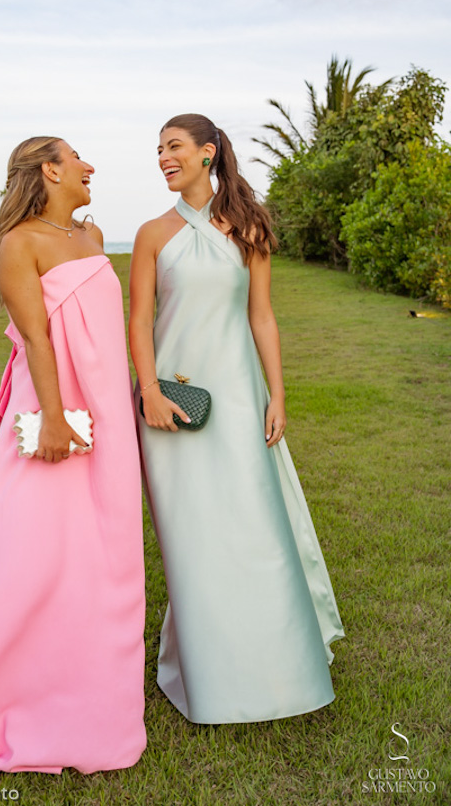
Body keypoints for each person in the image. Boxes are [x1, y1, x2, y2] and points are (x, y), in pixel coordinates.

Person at [0, 136, 146, 775]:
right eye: (78, 157)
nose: (90, 166)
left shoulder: (93, 237)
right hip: (53, 417)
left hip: (108, 421)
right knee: (27, 556)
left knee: (104, 560)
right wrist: (55, 421)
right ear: (50, 170)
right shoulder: (21, 243)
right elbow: (37, 339)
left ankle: (94, 707)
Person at [129, 114, 344, 724]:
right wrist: (149, 391)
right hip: (170, 405)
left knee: (255, 527)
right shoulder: (151, 234)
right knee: (192, 536)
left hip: (240, 397)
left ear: (207, 153)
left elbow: (262, 316)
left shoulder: (249, 226)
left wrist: (278, 394)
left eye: (173, 147)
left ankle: (280, 667)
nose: (163, 158)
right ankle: (208, 677)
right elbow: (138, 319)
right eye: (159, 149)